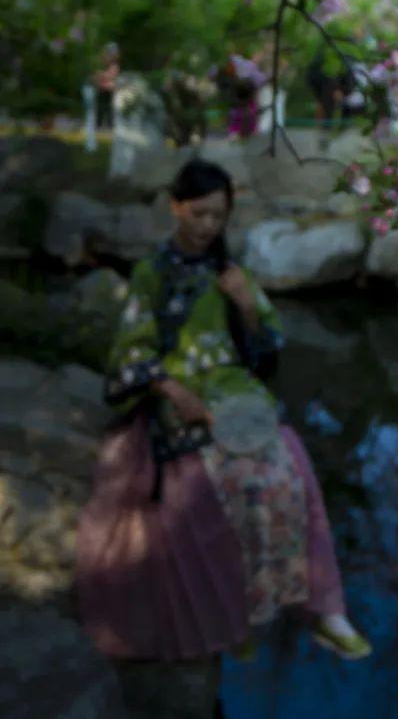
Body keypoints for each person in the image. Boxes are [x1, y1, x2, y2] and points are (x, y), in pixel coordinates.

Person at [76, 158, 370, 662]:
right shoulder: (152, 274)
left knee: (288, 473)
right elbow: (130, 354)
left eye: (218, 216)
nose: (208, 226)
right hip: (181, 397)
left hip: (237, 396)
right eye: (198, 214)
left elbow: (268, 347)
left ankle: (321, 608)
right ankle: (237, 612)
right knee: (222, 485)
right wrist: (171, 388)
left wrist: (248, 307)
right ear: (176, 208)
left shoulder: (232, 272)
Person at [94, 42, 121, 129]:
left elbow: (111, 76)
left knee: (109, 109)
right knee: (100, 109)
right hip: (103, 90)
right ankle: (99, 124)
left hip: (109, 91)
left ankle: (110, 125)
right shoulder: (105, 66)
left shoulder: (114, 66)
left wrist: (101, 75)